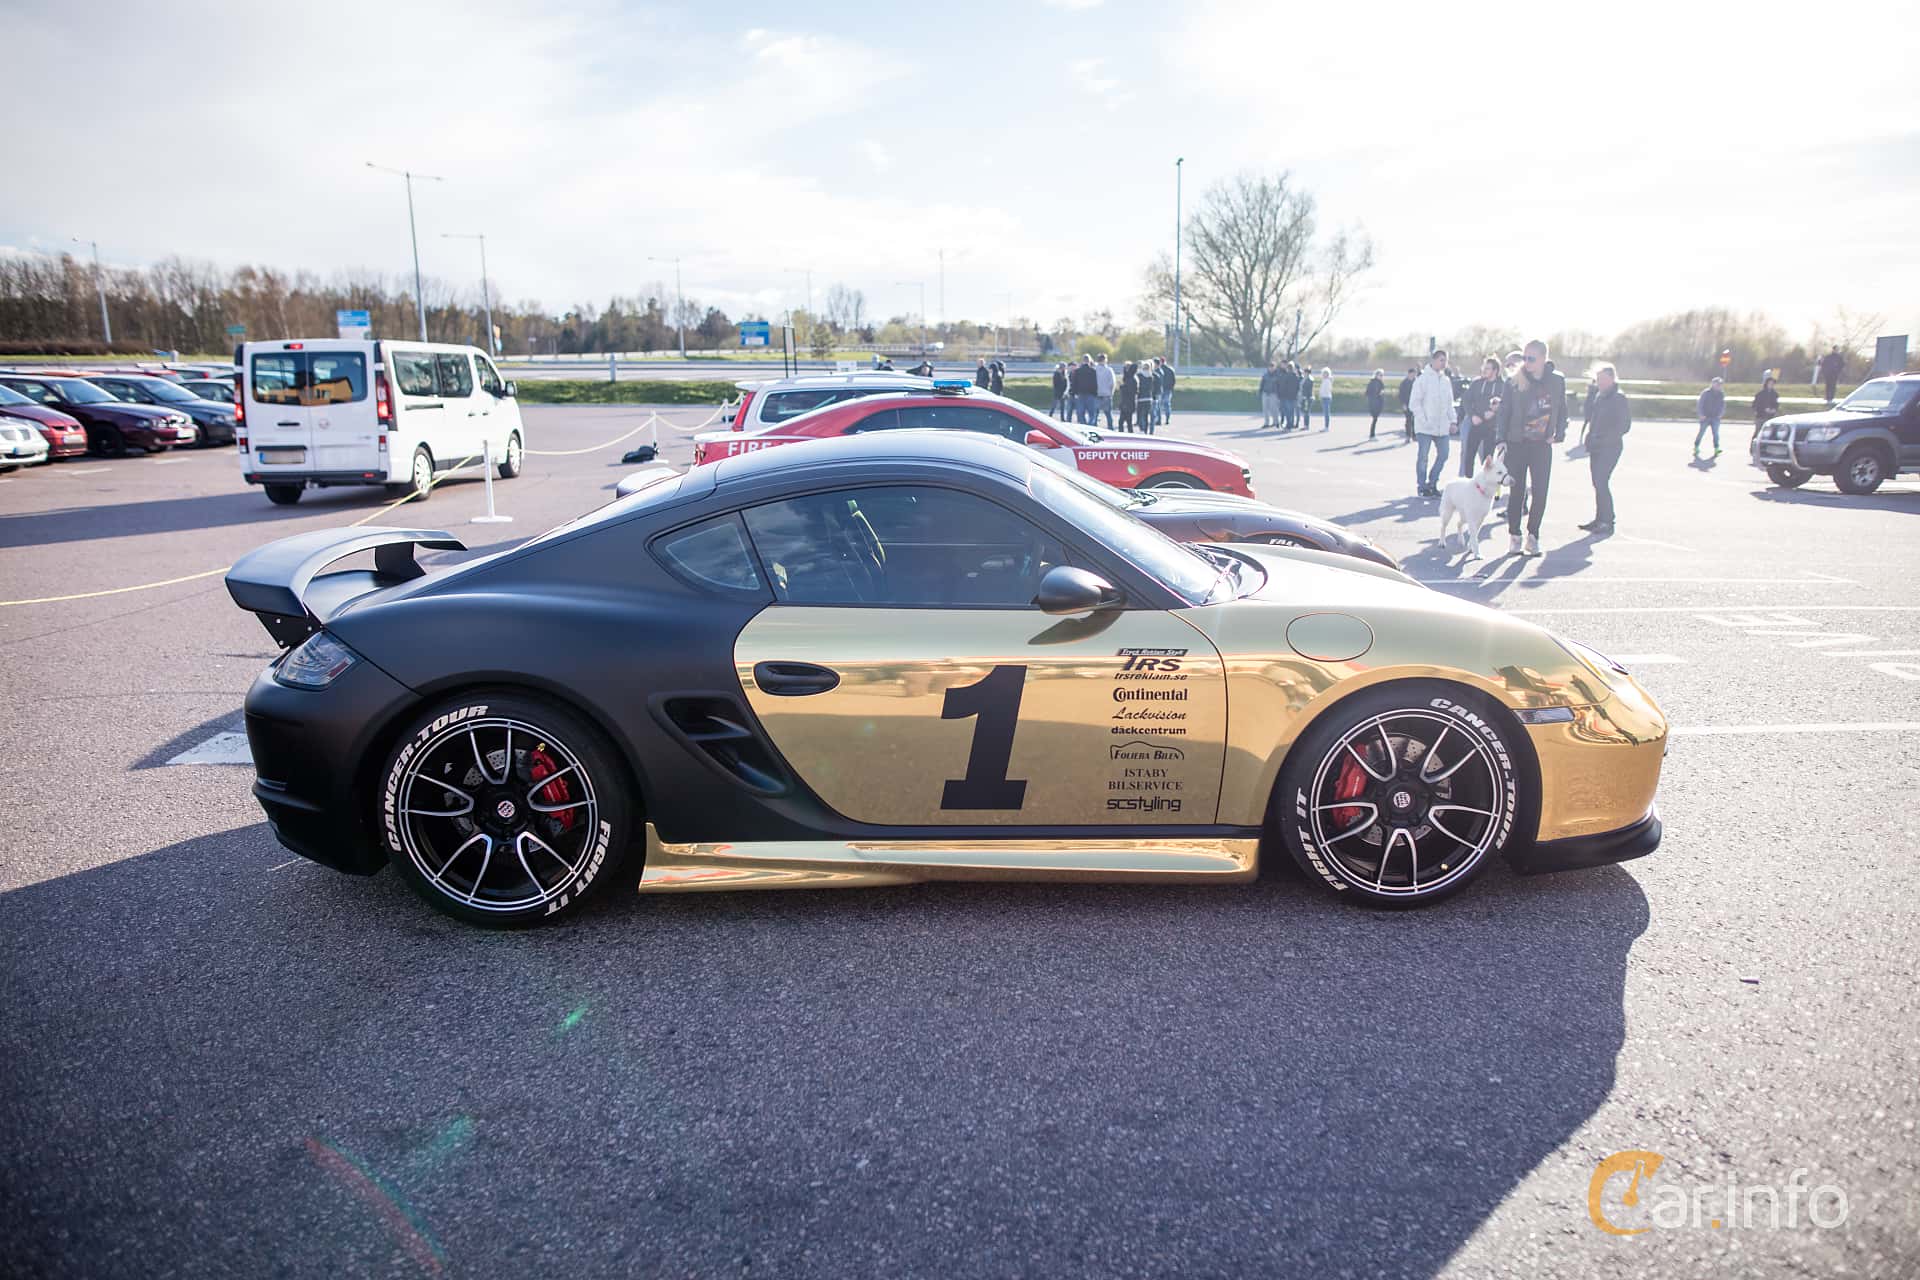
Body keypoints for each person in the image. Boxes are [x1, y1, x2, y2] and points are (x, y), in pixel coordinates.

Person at [1496, 339, 1566, 556]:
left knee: (1540, 491)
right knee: (1517, 491)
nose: (1526, 362)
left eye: (1531, 358)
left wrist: (1559, 433)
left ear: (1544, 358)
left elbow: (1562, 408)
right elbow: (1504, 411)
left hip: (1541, 445)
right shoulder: (1514, 380)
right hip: (1517, 443)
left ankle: (1533, 536)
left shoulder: (1556, 381)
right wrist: (1500, 439)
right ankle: (1514, 535)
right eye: (1525, 358)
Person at [1580, 363, 1631, 534]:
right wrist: (1590, 438)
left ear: (1612, 379)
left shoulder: (1618, 398)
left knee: (1602, 481)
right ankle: (1600, 518)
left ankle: (1607, 520)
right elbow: (1592, 419)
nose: (1599, 382)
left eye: (1602, 379)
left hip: (1610, 447)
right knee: (1597, 482)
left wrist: (1604, 439)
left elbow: (1624, 425)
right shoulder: (1599, 396)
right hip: (1596, 446)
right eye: (1597, 379)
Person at [1411, 349, 1456, 497]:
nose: (1444, 363)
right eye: (1441, 360)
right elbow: (1414, 403)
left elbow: (1449, 403)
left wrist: (1453, 421)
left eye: (1446, 360)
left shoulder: (1446, 381)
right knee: (1423, 457)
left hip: (1442, 427)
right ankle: (1422, 486)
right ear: (1434, 360)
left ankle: (1432, 482)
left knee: (1444, 454)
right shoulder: (1422, 379)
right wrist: (1424, 420)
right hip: (1425, 427)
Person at [1458, 356, 1503, 475]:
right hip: (1476, 424)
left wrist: (1494, 412)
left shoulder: (1502, 385)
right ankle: (1467, 481)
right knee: (1468, 456)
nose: (1484, 370)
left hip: (1492, 427)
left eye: (1488, 368)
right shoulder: (1477, 383)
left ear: (1495, 371)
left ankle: (1487, 482)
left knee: (1488, 458)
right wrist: (1472, 415)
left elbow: (1506, 405)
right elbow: (1466, 400)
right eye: (1484, 367)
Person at [1694, 375, 1726, 459]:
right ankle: (1696, 447)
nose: (1718, 385)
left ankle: (1716, 448)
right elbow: (1700, 404)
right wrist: (1701, 414)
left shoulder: (1721, 394)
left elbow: (1723, 405)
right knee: (1701, 433)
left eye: (1720, 384)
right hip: (1705, 417)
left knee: (1716, 434)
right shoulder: (1706, 393)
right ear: (1712, 384)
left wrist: (1721, 414)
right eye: (1717, 384)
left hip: (1715, 417)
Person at [1069, 355, 1098, 425]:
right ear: (1089, 361)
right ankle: (1090, 425)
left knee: (1081, 413)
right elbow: (1095, 384)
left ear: (1082, 361)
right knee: (1092, 414)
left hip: (1080, 394)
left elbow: (1074, 383)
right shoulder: (1093, 371)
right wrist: (1095, 393)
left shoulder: (1077, 371)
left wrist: (1074, 393)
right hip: (1090, 394)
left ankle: (1083, 425)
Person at [1093, 352, 1116, 428]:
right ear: (1105, 360)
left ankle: (1094, 428)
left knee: (1095, 414)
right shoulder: (1109, 370)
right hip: (1107, 394)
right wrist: (1111, 393)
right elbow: (1112, 383)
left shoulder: (1094, 370)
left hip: (1096, 394)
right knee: (1108, 414)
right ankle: (1110, 428)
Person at [1277, 360, 1300, 429]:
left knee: (1287, 412)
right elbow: (1298, 387)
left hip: (1286, 396)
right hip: (1293, 396)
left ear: (1287, 369)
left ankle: (1288, 425)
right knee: (1292, 411)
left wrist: (1281, 394)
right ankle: (1291, 424)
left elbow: (1283, 386)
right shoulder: (1296, 376)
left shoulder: (1286, 376)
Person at [1117, 360, 1139, 432]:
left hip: (1127, 403)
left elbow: (1129, 391)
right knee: (1127, 422)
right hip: (1128, 403)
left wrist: (1121, 387)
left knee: (1123, 422)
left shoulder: (1131, 379)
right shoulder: (1131, 378)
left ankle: (1124, 435)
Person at [1260, 361, 1282, 428]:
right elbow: (1262, 384)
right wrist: (1260, 392)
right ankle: (1266, 423)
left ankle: (1276, 422)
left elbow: (1279, 385)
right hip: (1265, 393)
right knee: (1265, 409)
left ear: (1275, 367)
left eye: (1272, 366)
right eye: (1270, 366)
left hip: (1273, 394)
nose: (1271, 368)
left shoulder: (1278, 375)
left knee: (1274, 409)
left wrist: (1279, 395)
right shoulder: (1265, 375)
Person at [1397, 366, 1417, 440]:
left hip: (1415, 404)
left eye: (1414, 374)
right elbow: (1401, 394)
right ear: (1409, 374)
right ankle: (1408, 435)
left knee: (1415, 420)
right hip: (1407, 404)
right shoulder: (1404, 383)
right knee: (1408, 420)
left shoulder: (1417, 382)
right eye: (1412, 374)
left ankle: (1414, 435)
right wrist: (1403, 404)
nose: (1413, 376)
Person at [1365, 369, 1385, 438]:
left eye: (1382, 375)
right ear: (1376, 375)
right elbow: (1368, 393)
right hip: (1374, 403)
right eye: (1380, 375)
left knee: (1375, 419)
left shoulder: (1380, 382)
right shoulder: (1373, 382)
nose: (1381, 376)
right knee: (1375, 418)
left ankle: (1372, 433)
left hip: (1378, 403)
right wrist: (1378, 394)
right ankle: (1372, 433)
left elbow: (1382, 391)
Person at [1157, 360, 1175, 426]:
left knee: (1159, 405)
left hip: (1161, 389)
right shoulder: (1171, 369)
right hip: (1168, 389)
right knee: (1167, 404)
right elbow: (1173, 380)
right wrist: (1171, 388)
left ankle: (1158, 419)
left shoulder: (1159, 370)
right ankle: (1167, 419)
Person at [1319, 366, 1334, 430]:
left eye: (1325, 373)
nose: (1324, 374)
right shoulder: (1324, 380)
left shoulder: (1327, 381)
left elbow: (1327, 390)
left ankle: (1326, 427)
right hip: (1324, 397)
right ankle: (1326, 426)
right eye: (1323, 373)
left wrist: (1322, 395)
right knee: (1325, 413)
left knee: (1326, 413)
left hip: (1326, 398)